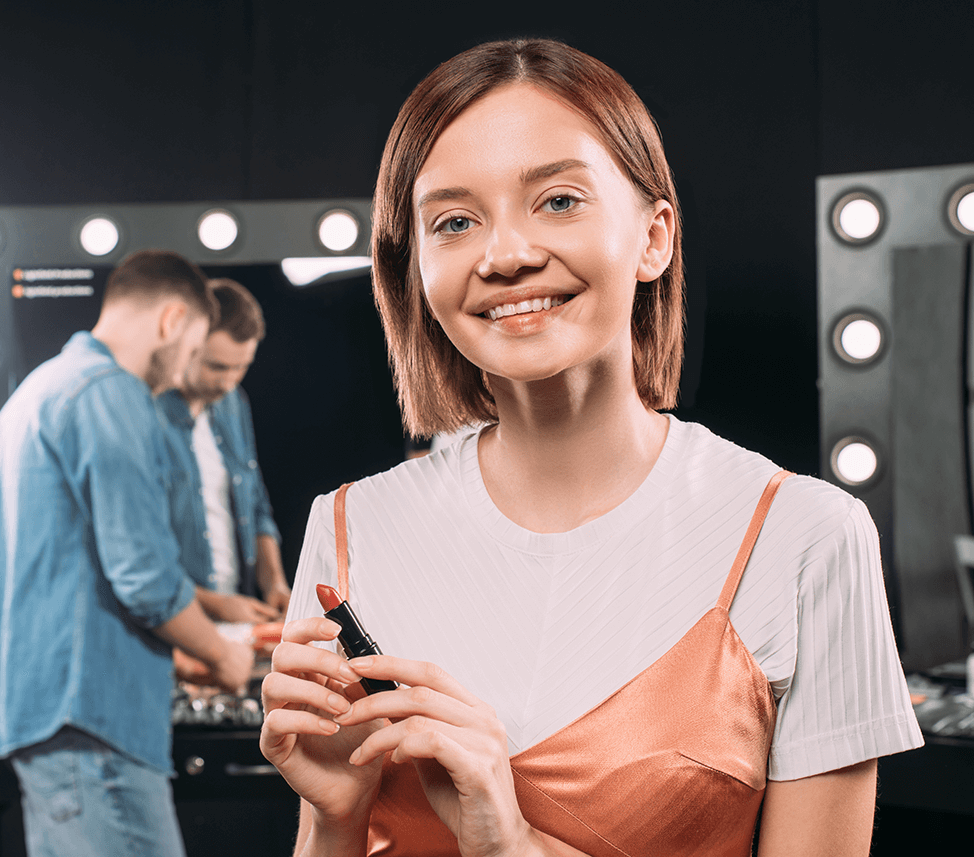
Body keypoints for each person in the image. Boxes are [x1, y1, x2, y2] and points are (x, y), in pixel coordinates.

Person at [260, 39, 923, 857]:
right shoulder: (350, 528)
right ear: (417, 270)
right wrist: (332, 817)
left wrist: (512, 843)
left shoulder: (805, 537)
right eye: (455, 221)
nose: (506, 255)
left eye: (559, 201)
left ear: (655, 238)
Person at [0, 250, 254, 857]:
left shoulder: (47, 388)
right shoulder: (109, 393)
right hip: (92, 719)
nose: (183, 372)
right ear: (172, 322)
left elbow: (77, 563)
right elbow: (143, 576)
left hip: (56, 718)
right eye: (194, 346)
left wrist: (188, 643)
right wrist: (224, 656)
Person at [156, 277, 291, 627]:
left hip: (239, 617)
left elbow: (257, 505)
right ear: (186, 344)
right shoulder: (144, 416)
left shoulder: (233, 403)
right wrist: (216, 606)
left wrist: (274, 582)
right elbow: (139, 554)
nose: (229, 381)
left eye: (241, 367)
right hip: (175, 625)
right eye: (217, 366)